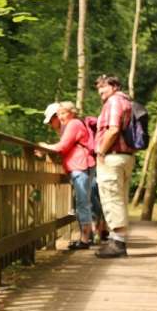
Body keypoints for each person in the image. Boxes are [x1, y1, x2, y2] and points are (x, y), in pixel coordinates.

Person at [40, 101, 95, 249]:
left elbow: (63, 146)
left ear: (72, 113)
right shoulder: (72, 125)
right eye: (59, 114)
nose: (61, 117)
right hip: (79, 166)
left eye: (63, 113)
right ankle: (86, 237)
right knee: (82, 202)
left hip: (80, 166)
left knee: (82, 202)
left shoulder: (74, 124)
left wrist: (45, 147)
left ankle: (85, 240)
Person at [93, 75, 135, 258]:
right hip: (125, 157)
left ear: (115, 86)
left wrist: (101, 151)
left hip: (113, 157)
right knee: (120, 199)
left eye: (104, 86)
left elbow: (114, 129)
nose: (100, 90)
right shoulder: (127, 102)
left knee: (111, 198)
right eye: (98, 87)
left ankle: (117, 244)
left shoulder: (114, 102)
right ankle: (117, 241)